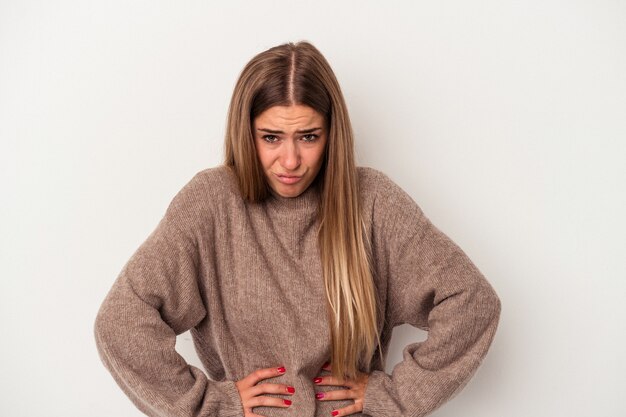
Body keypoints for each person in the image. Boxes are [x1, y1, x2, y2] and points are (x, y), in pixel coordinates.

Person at [94, 41, 501, 417]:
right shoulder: (212, 204)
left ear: (331, 134)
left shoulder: (372, 202)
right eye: (271, 137)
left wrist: (390, 395)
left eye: (308, 137)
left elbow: (471, 302)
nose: (290, 161)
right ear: (246, 133)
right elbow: (122, 323)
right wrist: (212, 405)